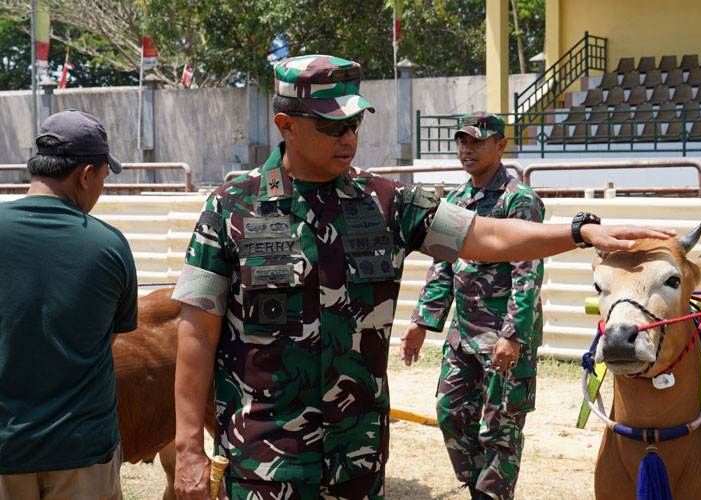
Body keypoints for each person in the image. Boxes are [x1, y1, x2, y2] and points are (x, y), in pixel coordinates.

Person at [171, 54, 674, 500]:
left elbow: (492, 237)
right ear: (287, 125)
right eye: (332, 127)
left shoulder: (388, 203)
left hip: (357, 459)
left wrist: (581, 230)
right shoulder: (229, 207)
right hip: (264, 458)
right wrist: (189, 444)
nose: (349, 138)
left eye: (355, 124)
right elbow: (196, 330)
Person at [401, 111, 542, 500]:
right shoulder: (457, 200)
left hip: (503, 337)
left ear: (501, 146)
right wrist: (421, 322)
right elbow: (442, 264)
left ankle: (491, 495)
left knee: (500, 427)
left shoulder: (520, 200)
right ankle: (482, 488)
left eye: (478, 142)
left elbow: (527, 274)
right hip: (463, 337)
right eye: (463, 141)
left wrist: (512, 336)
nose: (468, 149)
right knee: (451, 415)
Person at [0, 109, 138, 500]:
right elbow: (106, 341)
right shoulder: (109, 247)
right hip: (83, 455)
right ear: (85, 174)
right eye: (104, 178)